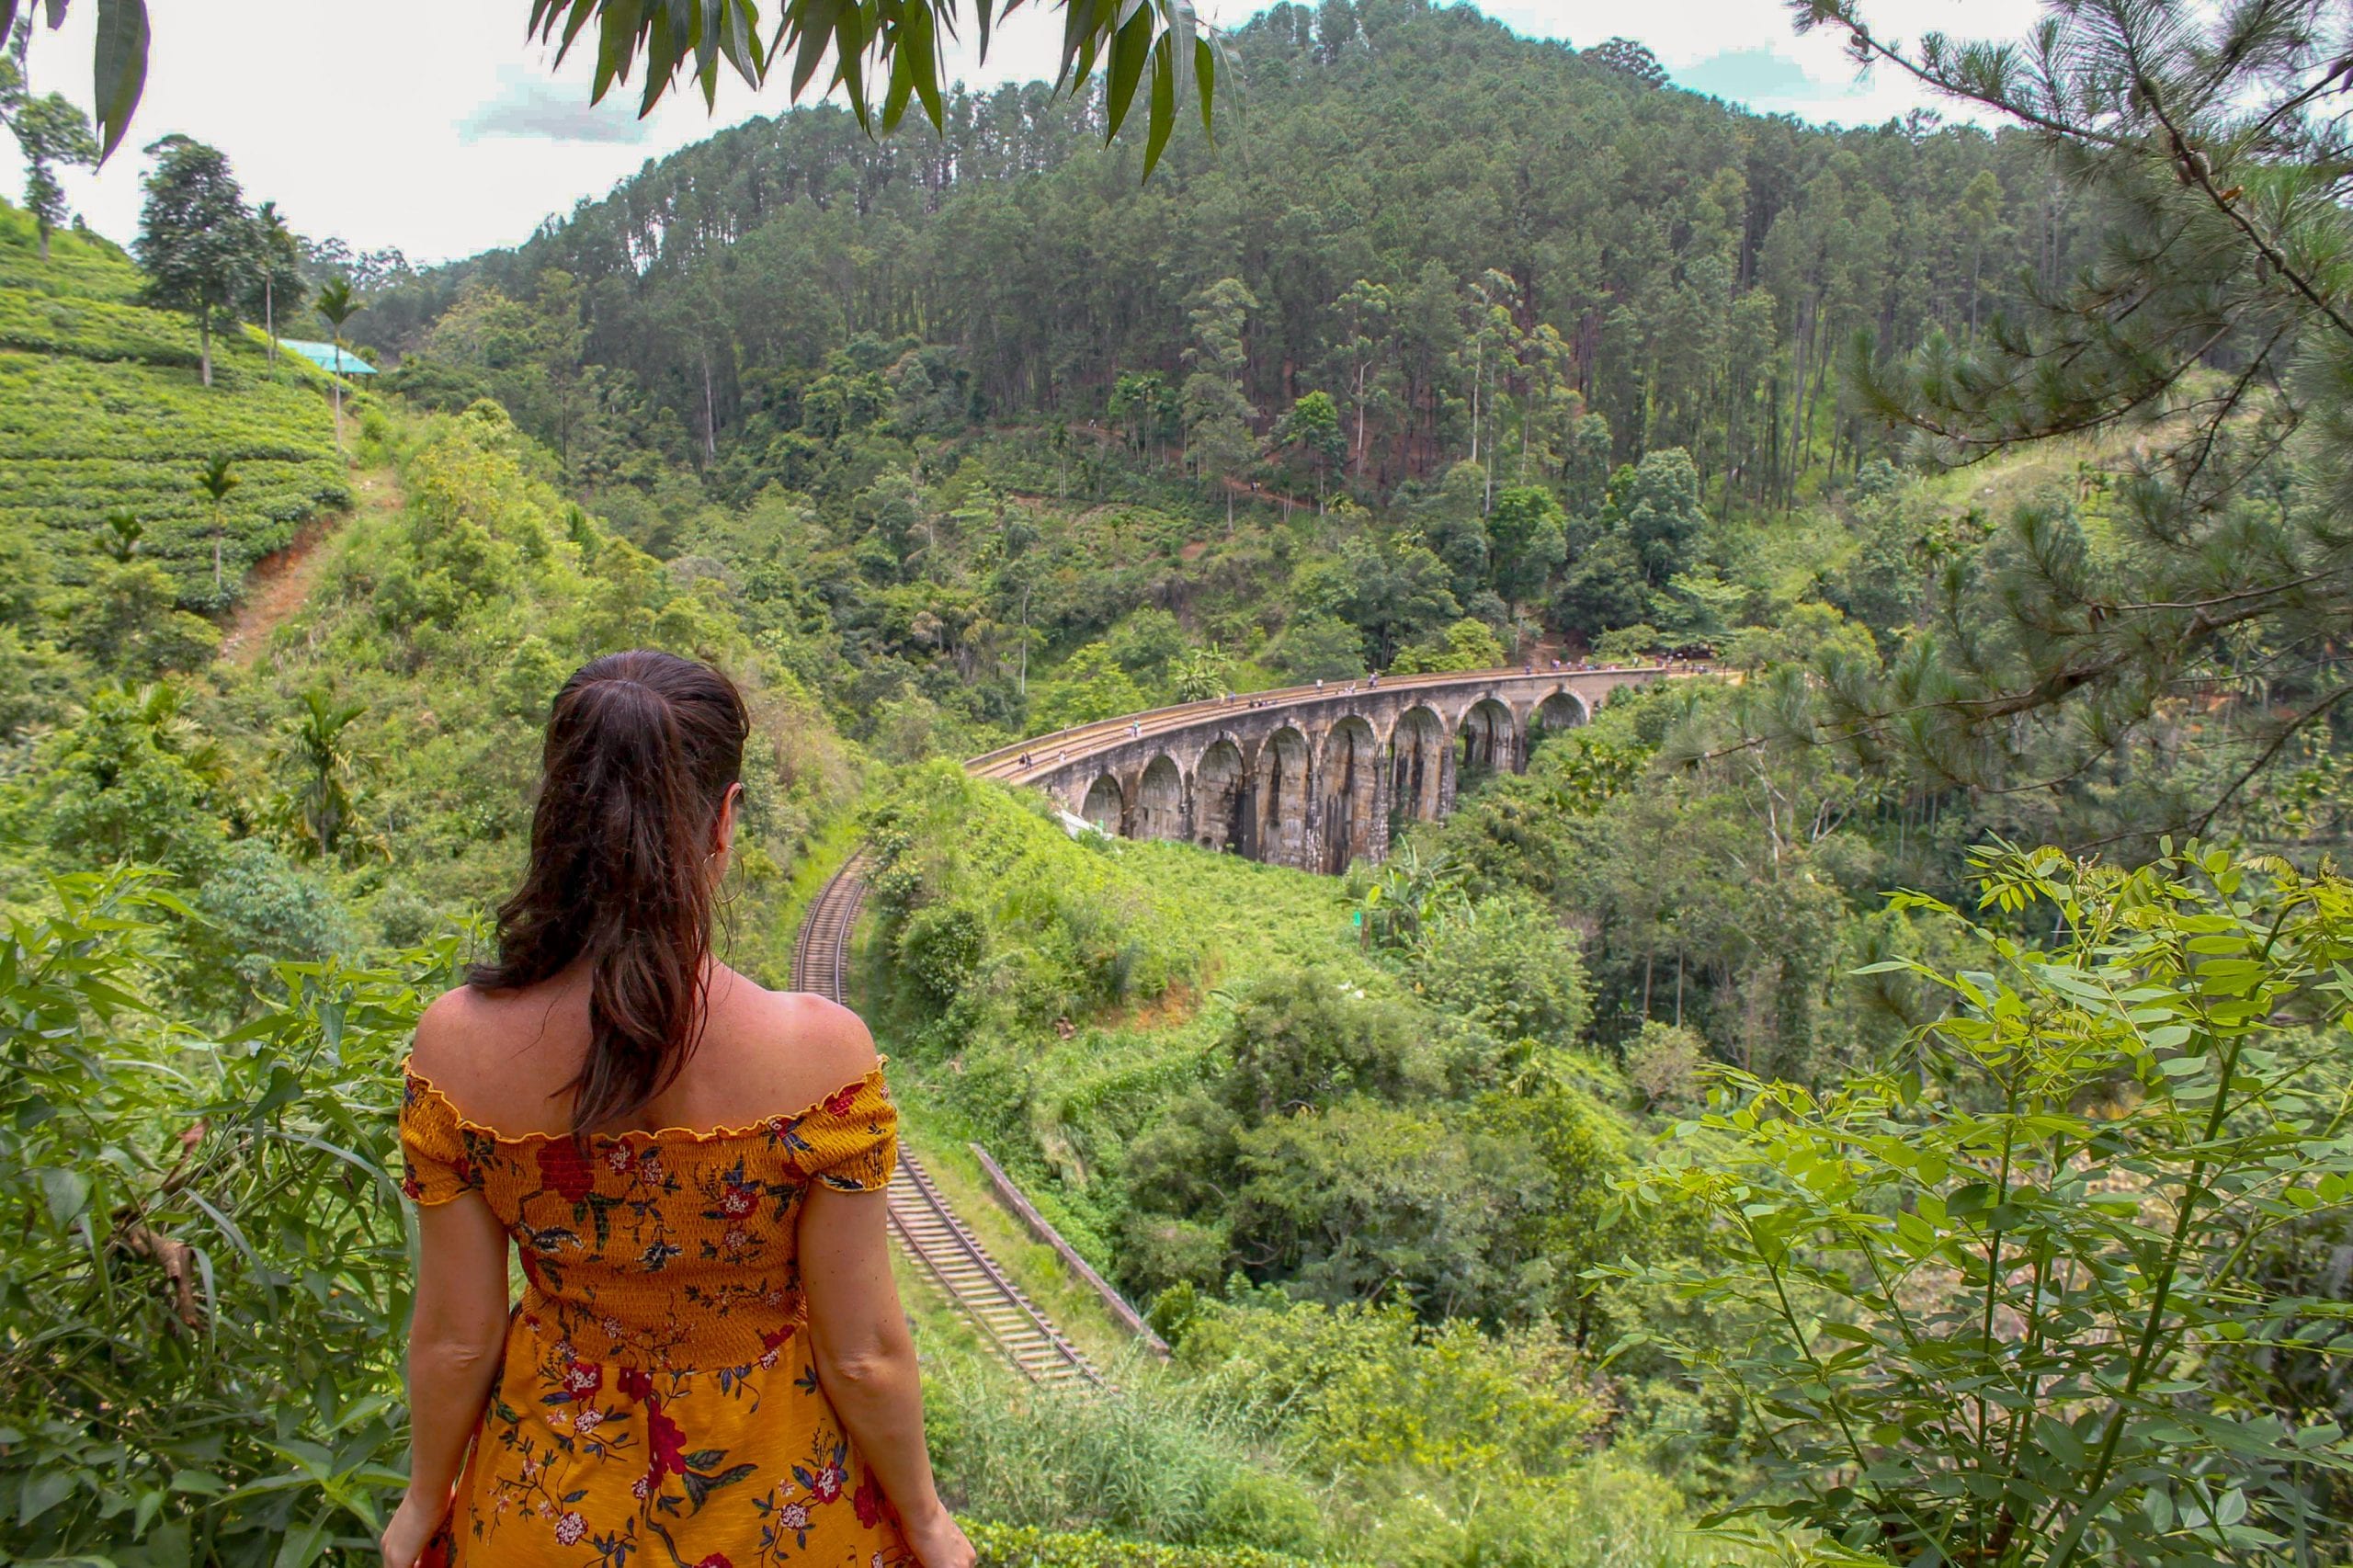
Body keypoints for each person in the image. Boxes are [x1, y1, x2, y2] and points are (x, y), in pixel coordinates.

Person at [382, 651, 973, 1568]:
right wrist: (929, 1523)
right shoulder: (822, 1057)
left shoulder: (455, 1047)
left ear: (557, 818)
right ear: (723, 820)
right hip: (780, 1513)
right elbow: (863, 1353)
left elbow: (457, 1339)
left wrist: (424, 1500)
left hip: (546, 1515)